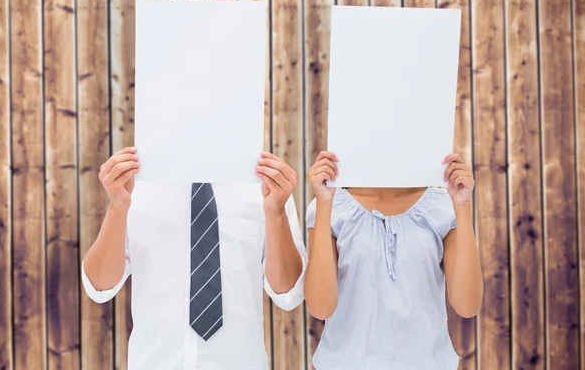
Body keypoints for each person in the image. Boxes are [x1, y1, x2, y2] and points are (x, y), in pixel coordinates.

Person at [82, 147, 307, 369]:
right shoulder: (136, 182)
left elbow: (288, 292)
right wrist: (116, 208)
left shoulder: (265, 182)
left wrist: (276, 212)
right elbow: (100, 288)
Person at [304, 151, 483, 369]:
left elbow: (468, 306)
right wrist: (324, 203)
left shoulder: (443, 206)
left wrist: (462, 206)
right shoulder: (331, 206)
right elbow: (320, 308)